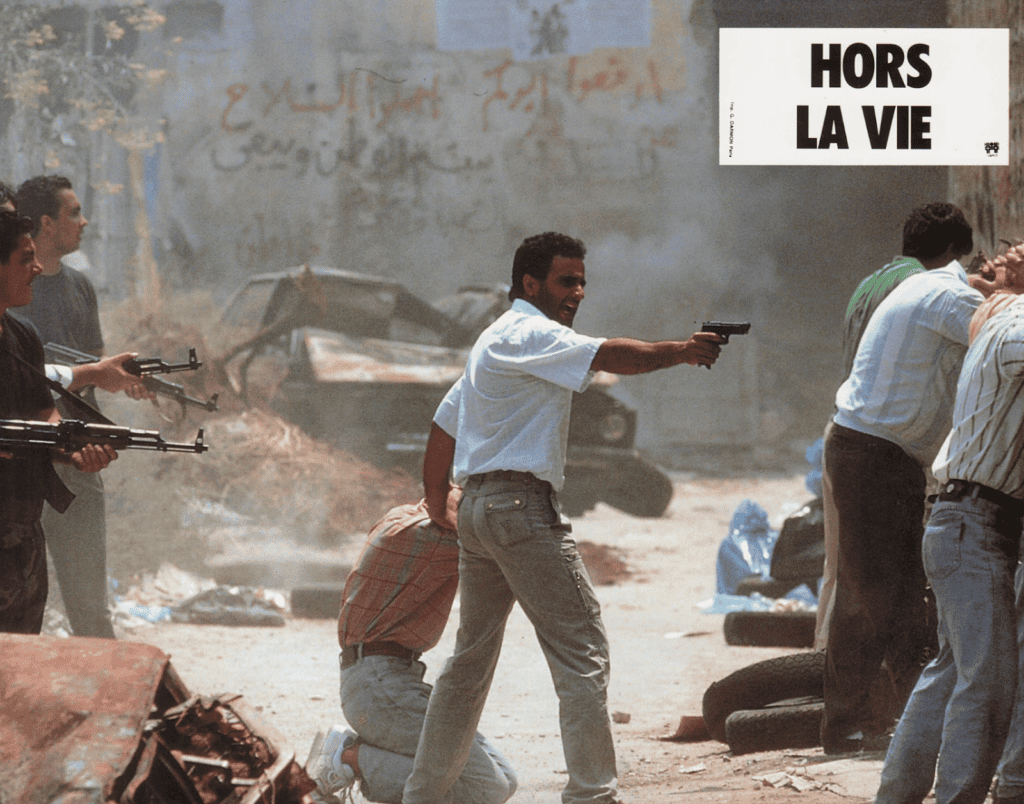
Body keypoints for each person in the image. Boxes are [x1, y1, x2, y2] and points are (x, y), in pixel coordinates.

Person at [402, 231, 723, 804]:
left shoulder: (493, 340)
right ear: (530, 284)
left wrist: (437, 500)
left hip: (481, 512)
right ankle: (592, 796)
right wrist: (681, 350)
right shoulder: (530, 331)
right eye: (565, 281)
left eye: (581, 282)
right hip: (521, 511)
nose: (576, 293)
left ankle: (422, 795)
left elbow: (443, 423)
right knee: (583, 655)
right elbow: (608, 356)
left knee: (467, 665)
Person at [818, 202, 1015, 754]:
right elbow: (997, 334)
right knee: (882, 595)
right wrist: (1003, 293)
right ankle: (865, 725)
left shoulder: (914, 285)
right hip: (877, 456)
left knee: (889, 593)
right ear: (960, 253)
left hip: (871, 452)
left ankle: (889, 723)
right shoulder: (949, 296)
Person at [874, 291, 1024, 804]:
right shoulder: (1016, 330)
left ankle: (895, 797)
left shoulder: (1001, 319)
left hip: (963, 521)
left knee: (949, 673)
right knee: (988, 684)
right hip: (974, 522)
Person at [306, 490, 517, 804]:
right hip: (380, 687)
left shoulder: (402, 517)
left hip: (386, 680)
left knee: (505, 777)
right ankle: (351, 758)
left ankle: (362, 754)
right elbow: (511, 558)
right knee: (486, 788)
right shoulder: (432, 536)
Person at [12, 175, 125, 639]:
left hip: (77, 462)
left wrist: (116, 383)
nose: (84, 221)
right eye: (74, 212)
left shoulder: (80, 287)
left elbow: (89, 377)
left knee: (90, 609)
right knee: (17, 610)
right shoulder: (13, 292)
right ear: (45, 221)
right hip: (20, 466)